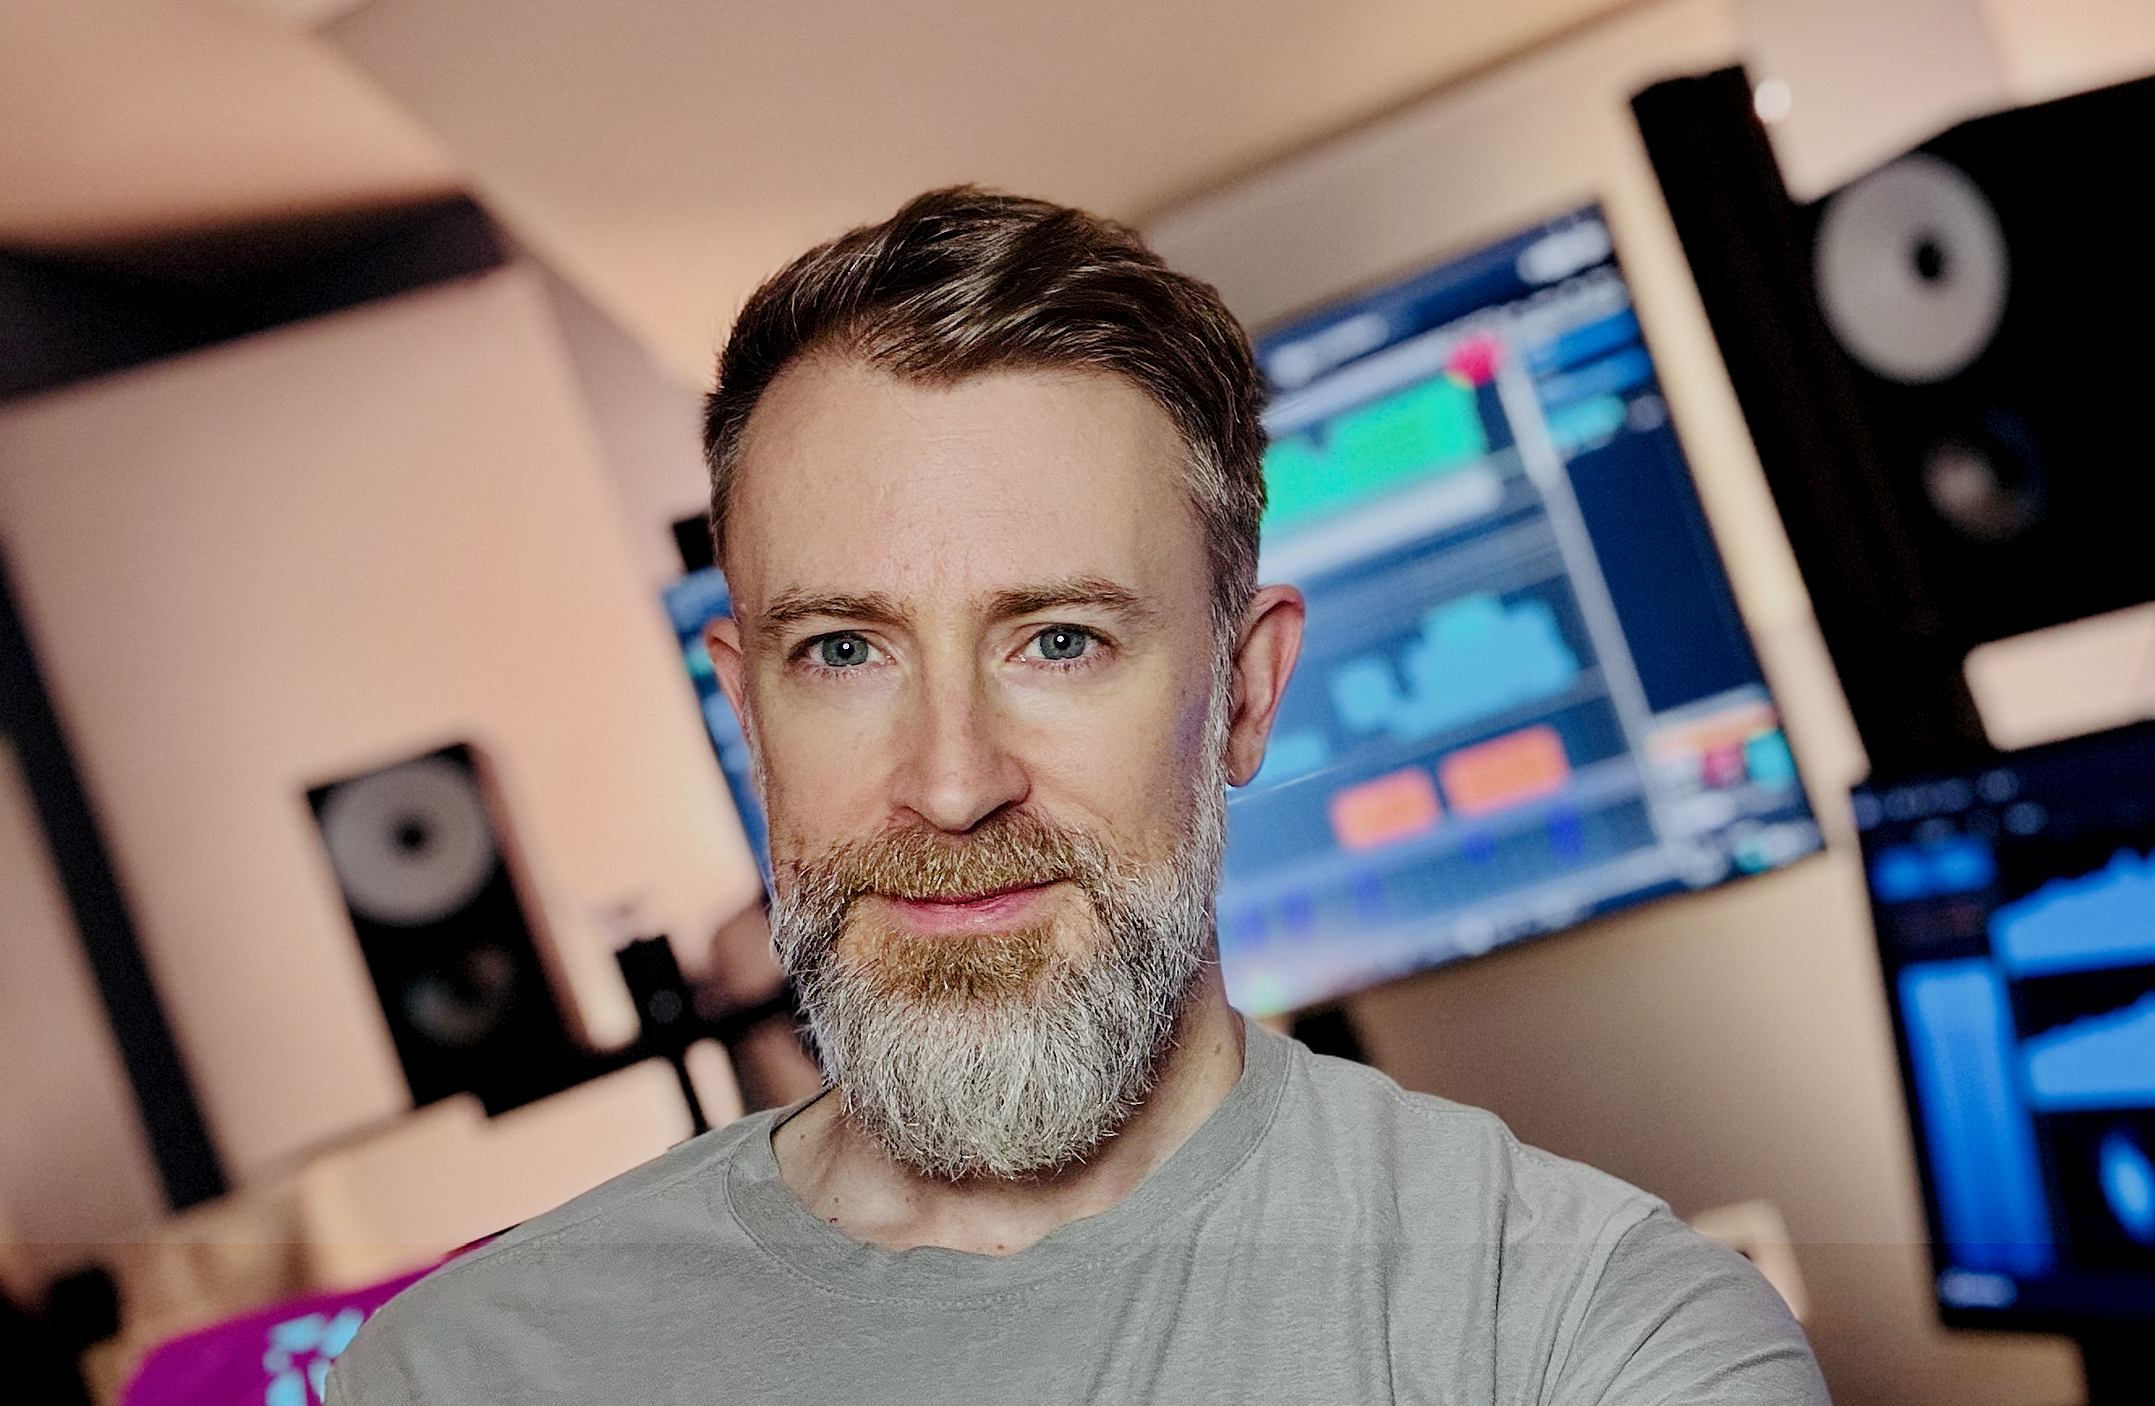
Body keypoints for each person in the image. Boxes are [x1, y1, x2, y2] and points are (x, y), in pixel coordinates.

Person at [330, 187, 1828, 1404]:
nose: (954, 781)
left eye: (1059, 639)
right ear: (750, 712)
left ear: (1244, 690)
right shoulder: (460, 1372)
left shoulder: (1585, 1336)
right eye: (845, 649)